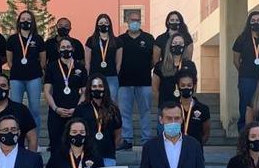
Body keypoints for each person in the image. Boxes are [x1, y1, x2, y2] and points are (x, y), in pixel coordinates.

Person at [116, 10, 154, 149]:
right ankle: (126, 139)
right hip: (124, 82)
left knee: (146, 111)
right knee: (124, 113)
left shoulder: (149, 38)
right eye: (132, 20)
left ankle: (146, 140)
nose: (135, 22)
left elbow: (154, 59)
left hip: (144, 82)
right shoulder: (120, 39)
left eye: (137, 20)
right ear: (127, 21)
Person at [43, 37, 87, 154]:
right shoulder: (52, 67)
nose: (66, 49)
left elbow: (84, 91)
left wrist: (77, 108)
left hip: (75, 111)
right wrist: (56, 109)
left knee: (75, 146)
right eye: (63, 47)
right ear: (58, 50)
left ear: (72, 48)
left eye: (68, 47)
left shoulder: (80, 67)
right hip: (56, 112)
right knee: (56, 146)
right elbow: (47, 91)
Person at [6, 10, 46, 132]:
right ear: (19, 22)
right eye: (23, 19)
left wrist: (36, 70)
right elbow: (9, 61)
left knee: (34, 109)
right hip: (16, 78)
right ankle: (16, 138)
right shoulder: (12, 39)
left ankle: (35, 141)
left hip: (34, 78)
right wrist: (19, 70)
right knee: (15, 109)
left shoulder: (38, 39)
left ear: (32, 22)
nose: (25, 21)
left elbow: (43, 60)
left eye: (28, 19)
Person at [152, 32, 197, 111]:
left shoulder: (190, 65)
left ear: (184, 46)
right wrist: (162, 103)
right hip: (165, 107)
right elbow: (155, 89)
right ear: (169, 45)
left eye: (180, 43)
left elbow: (194, 85)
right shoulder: (160, 65)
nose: (178, 45)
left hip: (184, 108)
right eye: (175, 43)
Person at [84, 13, 120, 100]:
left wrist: (115, 73)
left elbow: (118, 62)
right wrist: (88, 77)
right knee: (95, 100)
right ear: (97, 25)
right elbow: (87, 62)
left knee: (111, 101)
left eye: (105, 23)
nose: (103, 25)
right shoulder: (90, 40)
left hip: (111, 76)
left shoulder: (117, 41)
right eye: (101, 23)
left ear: (109, 24)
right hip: (94, 75)